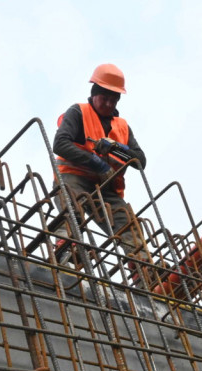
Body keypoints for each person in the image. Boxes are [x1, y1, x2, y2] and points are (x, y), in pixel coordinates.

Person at [52, 63, 148, 267]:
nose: (108, 104)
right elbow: (60, 144)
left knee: (129, 228)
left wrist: (118, 148)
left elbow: (140, 161)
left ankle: (144, 270)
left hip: (106, 188)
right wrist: (95, 161)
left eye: (113, 100)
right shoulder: (79, 112)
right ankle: (66, 249)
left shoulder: (122, 127)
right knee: (71, 210)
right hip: (74, 176)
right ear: (94, 94)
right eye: (104, 98)